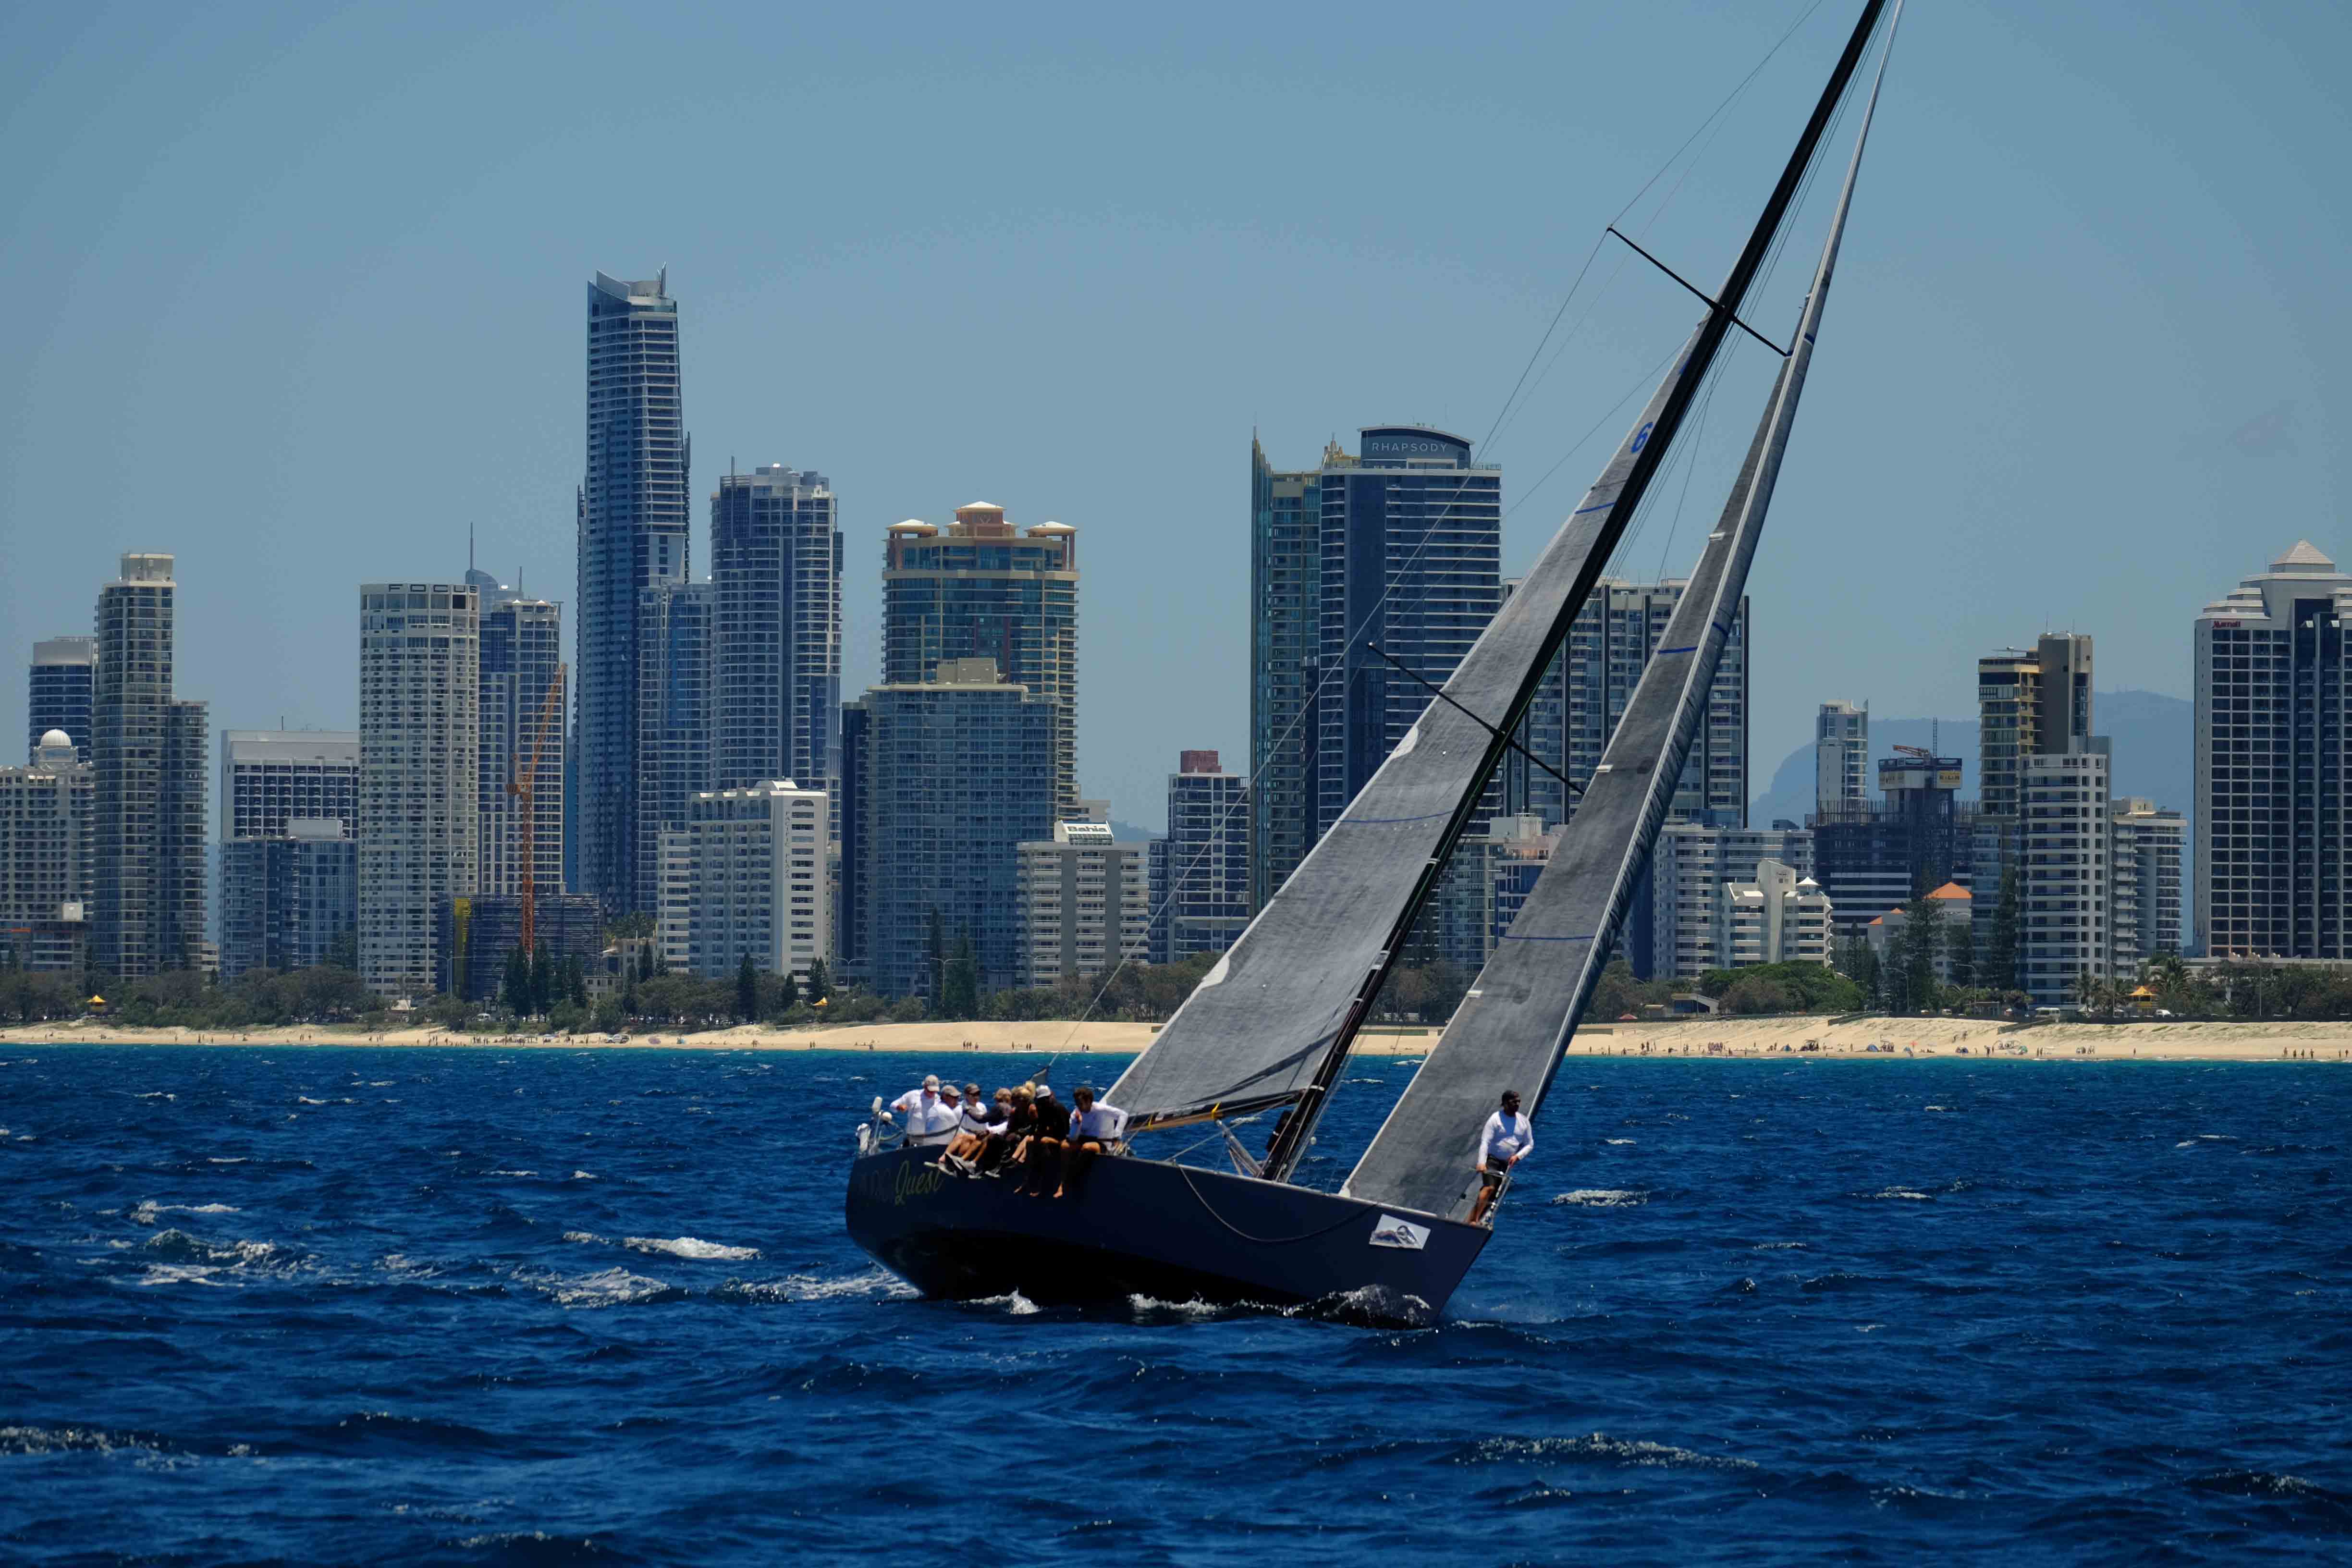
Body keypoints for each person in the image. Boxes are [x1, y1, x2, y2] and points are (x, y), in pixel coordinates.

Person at [1467, 1089, 1532, 1227]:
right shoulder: (1495, 1119)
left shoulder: (1524, 1121)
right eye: (1514, 1102)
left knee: (1493, 1195)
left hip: (1506, 1164)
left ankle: (1470, 1220)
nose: (1517, 1104)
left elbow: (1529, 1144)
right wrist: (1481, 1163)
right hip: (1492, 1160)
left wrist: (1518, 1156)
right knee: (1489, 1188)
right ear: (1504, 1103)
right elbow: (1485, 1142)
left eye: (1519, 1101)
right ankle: (1474, 1221)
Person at [1054, 1084, 1128, 1198]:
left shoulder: (1100, 1109)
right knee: (1065, 1146)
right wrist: (1078, 1123)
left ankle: (1070, 1181)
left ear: (1089, 1101)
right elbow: (1073, 1138)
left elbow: (1123, 1114)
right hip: (1083, 1139)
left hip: (1101, 1142)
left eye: (1080, 1103)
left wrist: (1117, 1136)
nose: (1078, 1106)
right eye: (1076, 1103)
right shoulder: (1076, 1113)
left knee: (1088, 1148)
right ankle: (1062, 1181)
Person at [1020, 1082, 1072, 1195]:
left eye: (1045, 1100)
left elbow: (1065, 1132)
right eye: (1041, 1100)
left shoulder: (1059, 1109)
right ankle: (1028, 1178)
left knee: (1044, 1142)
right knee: (1031, 1141)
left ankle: (1046, 1181)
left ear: (1050, 1097)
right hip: (1051, 1136)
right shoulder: (1042, 1108)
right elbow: (1041, 1127)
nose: (1043, 1103)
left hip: (1062, 1139)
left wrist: (1047, 1136)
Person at [888, 1074, 961, 1148]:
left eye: (935, 1091)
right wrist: (899, 1107)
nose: (933, 1093)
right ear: (925, 1087)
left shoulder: (939, 1100)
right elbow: (892, 1106)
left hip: (928, 1140)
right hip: (911, 1138)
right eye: (931, 1091)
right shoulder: (912, 1095)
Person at [943, 1082, 999, 1174]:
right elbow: (956, 1128)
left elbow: (986, 1125)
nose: (976, 1097)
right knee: (967, 1140)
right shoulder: (959, 1109)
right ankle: (956, 1164)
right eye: (973, 1095)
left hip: (982, 1137)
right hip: (967, 1137)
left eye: (978, 1094)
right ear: (966, 1095)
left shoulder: (982, 1107)